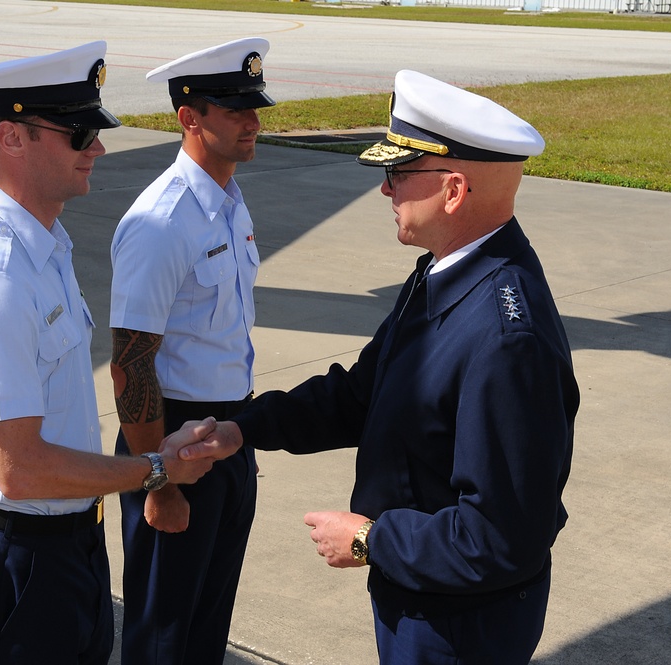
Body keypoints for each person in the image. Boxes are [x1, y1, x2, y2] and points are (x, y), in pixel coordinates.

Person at [175, 69, 580, 664]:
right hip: (423, 594)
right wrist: (243, 429)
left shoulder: (504, 339)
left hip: (460, 625)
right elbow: (366, 394)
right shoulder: (446, 272)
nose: (386, 190)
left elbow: (500, 536)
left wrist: (369, 539)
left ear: (453, 191)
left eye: (399, 174)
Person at [0, 41, 216, 665]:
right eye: (80, 133)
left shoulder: (44, 247)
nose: (99, 148)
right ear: (12, 137)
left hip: (68, 547)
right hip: (21, 561)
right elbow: (20, 469)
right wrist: (157, 470)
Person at [108, 38, 275, 665]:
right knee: (163, 633)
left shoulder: (229, 203)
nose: (253, 122)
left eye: (254, 108)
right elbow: (131, 365)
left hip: (229, 433)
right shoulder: (161, 222)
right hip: (171, 437)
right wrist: (157, 481)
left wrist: (238, 440)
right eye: (234, 110)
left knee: (208, 624)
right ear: (189, 118)